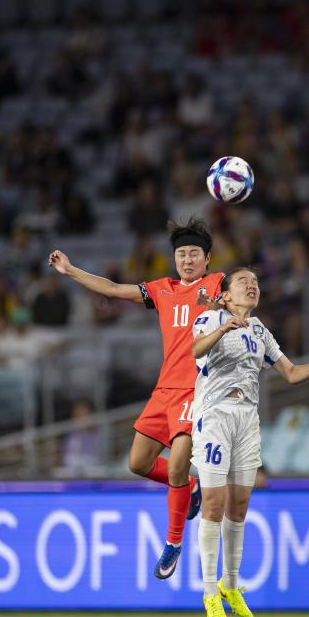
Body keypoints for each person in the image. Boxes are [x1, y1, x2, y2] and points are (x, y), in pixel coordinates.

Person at [48, 217, 224, 579]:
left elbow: (242, 296)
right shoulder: (163, 289)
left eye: (195, 254)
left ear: (208, 260)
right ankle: (191, 488)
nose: (188, 260)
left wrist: (225, 303)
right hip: (164, 391)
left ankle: (173, 543)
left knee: (177, 463)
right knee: (138, 463)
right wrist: (69, 271)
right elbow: (112, 289)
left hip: (197, 390)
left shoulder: (216, 284)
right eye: (181, 254)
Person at [191, 267, 309, 617]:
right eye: (243, 282)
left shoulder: (260, 331)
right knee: (213, 503)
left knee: (240, 505)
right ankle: (209, 591)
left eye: (255, 282)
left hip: (247, 420)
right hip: (214, 416)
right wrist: (223, 328)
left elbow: (290, 373)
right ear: (225, 294)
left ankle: (230, 583)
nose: (252, 286)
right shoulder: (209, 317)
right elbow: (194, 350)